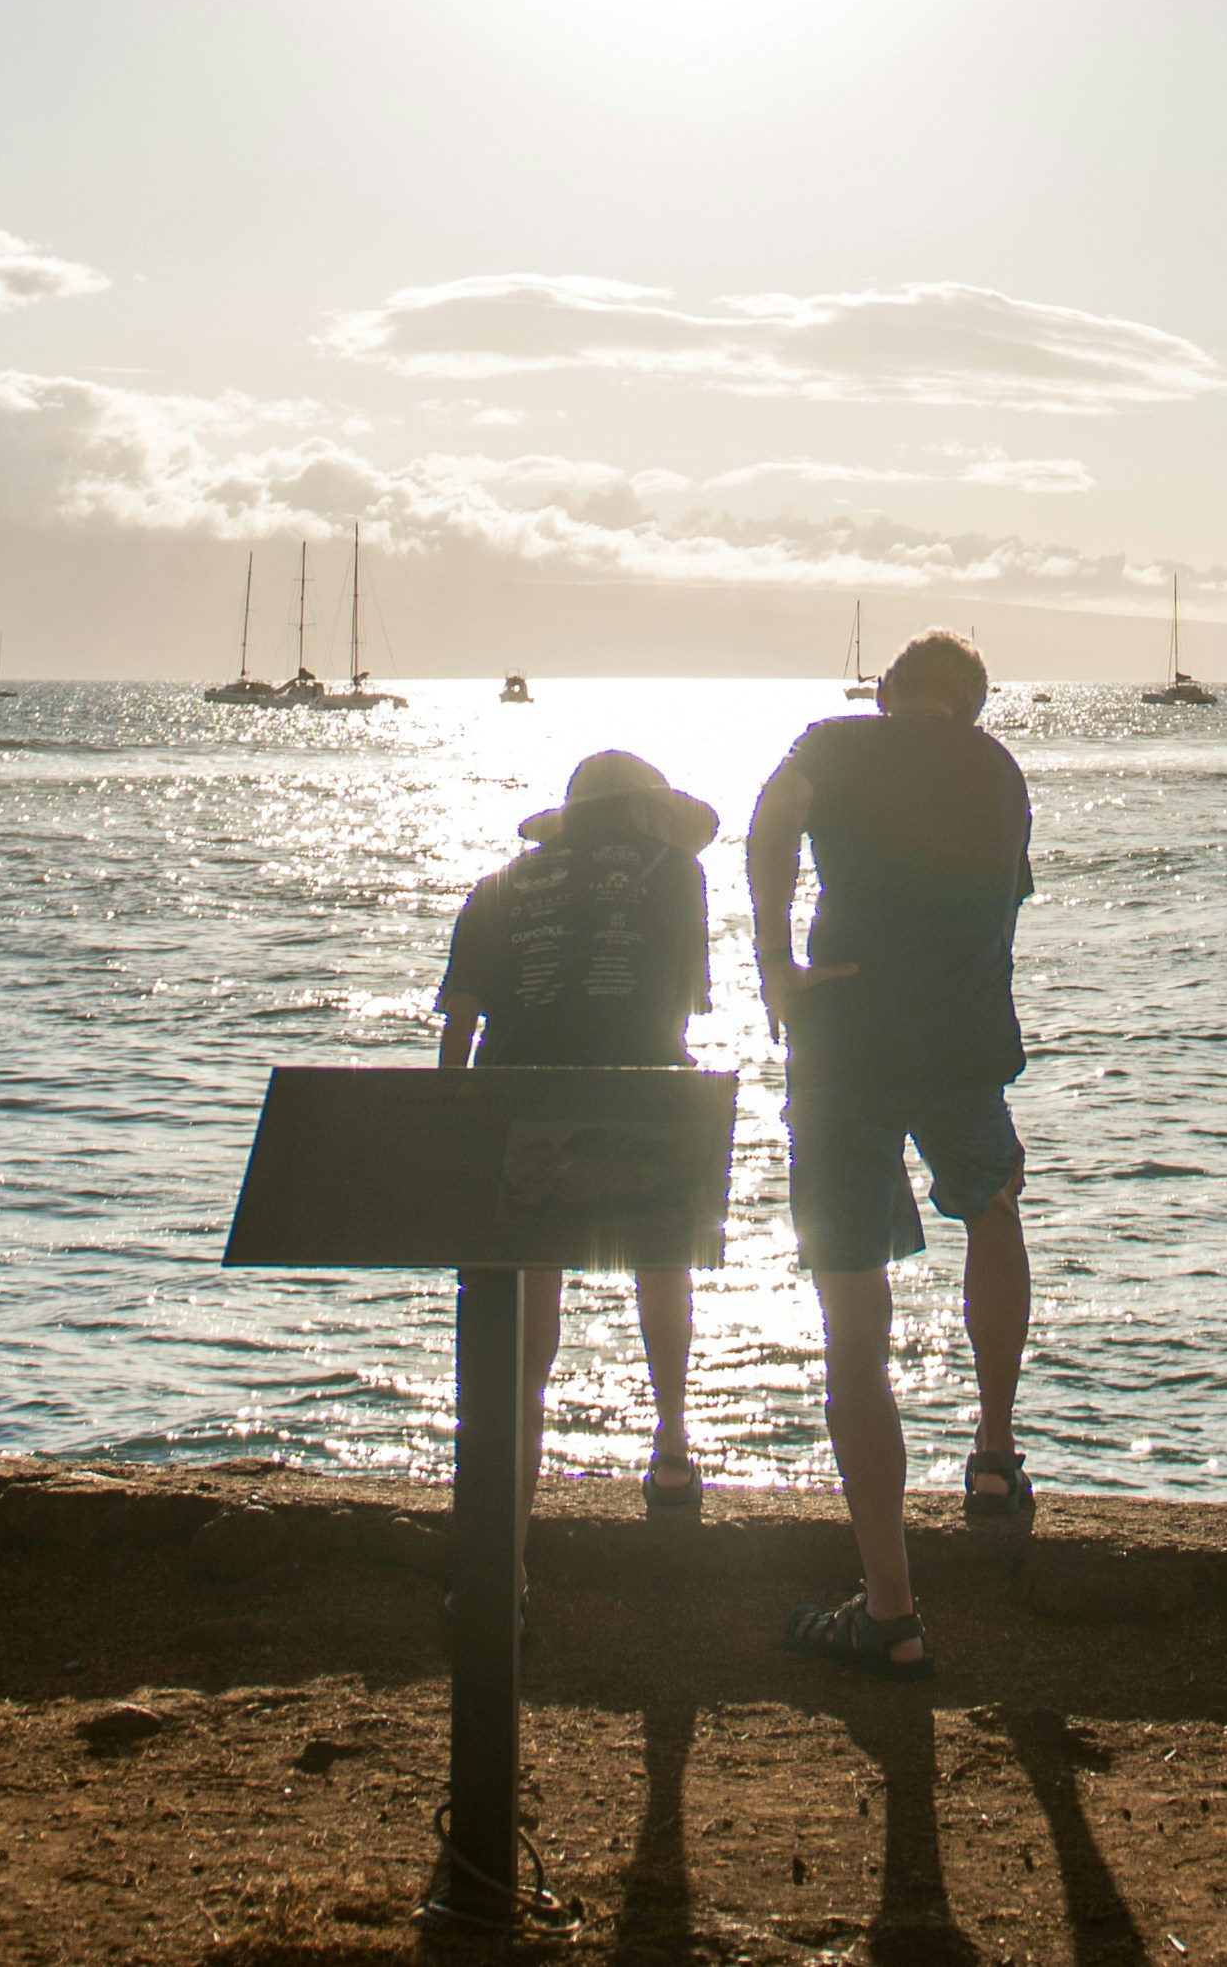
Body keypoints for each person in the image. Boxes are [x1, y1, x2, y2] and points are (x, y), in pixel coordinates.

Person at [747, 627, 1032, 1680]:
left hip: (847, 1036)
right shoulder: (1000, 773)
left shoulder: (834, 741)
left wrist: (775, 959)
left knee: (852, 1311)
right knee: (993, 1208)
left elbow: (771, 821)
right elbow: (1003, 907)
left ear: (889, 691)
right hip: (962, 1042)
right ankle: (995, 1456)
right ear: (973, 704)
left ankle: (891, 1608)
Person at [431, 746, 722, 1521]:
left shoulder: (495, 887)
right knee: (662, 1256)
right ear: (639, 813)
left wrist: (451, 1127)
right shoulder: (678, 873)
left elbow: (458, 1029)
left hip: (515, 1116)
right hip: (642, 1108)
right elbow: (685, 1004)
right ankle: (669, 1444)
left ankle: (510, 1538)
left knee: (529, 1295)